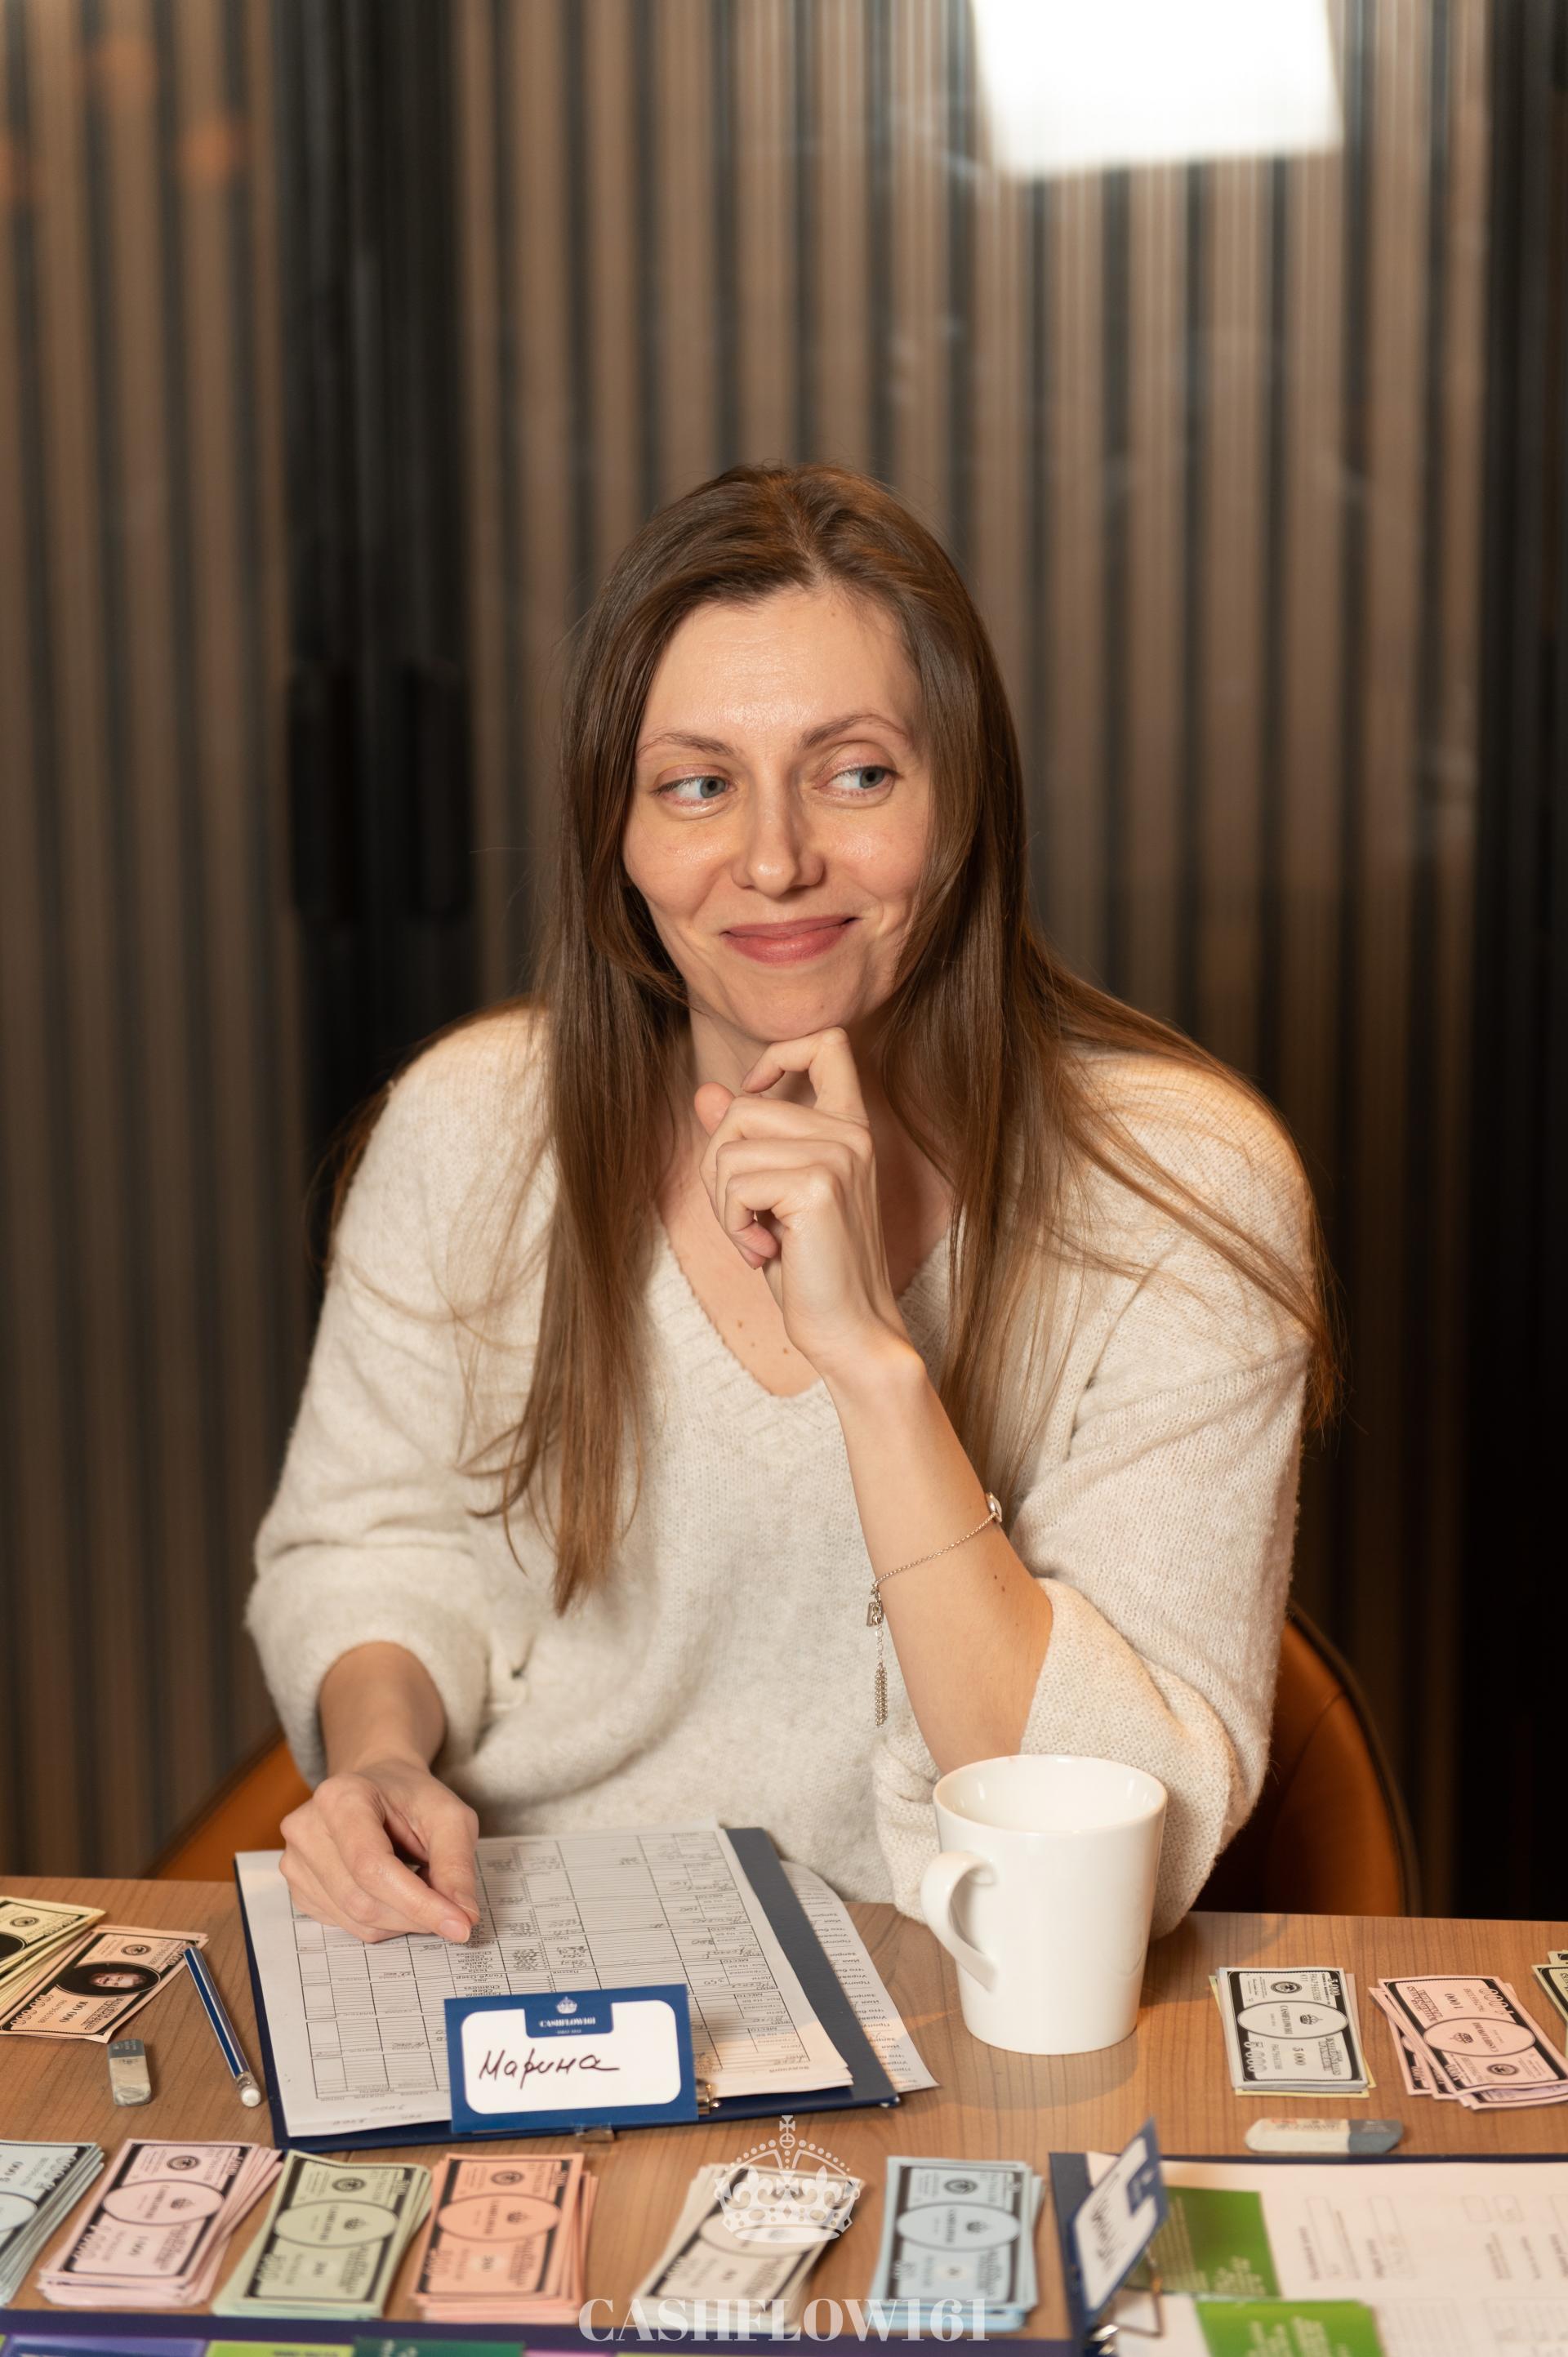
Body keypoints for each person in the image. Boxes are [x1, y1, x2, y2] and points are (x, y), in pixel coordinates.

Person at [247, 461, 1334, 1952]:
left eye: (856, 773)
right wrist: (378, 1756)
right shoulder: (470, 1125)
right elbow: (369, 1543)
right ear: (616, 839)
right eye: (697, 784)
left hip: (967, 1981)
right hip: (521, 1954)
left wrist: (875, 1367)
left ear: (965, 803)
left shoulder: (1188, 1193)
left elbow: (1115, 1846)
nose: (773, 860)